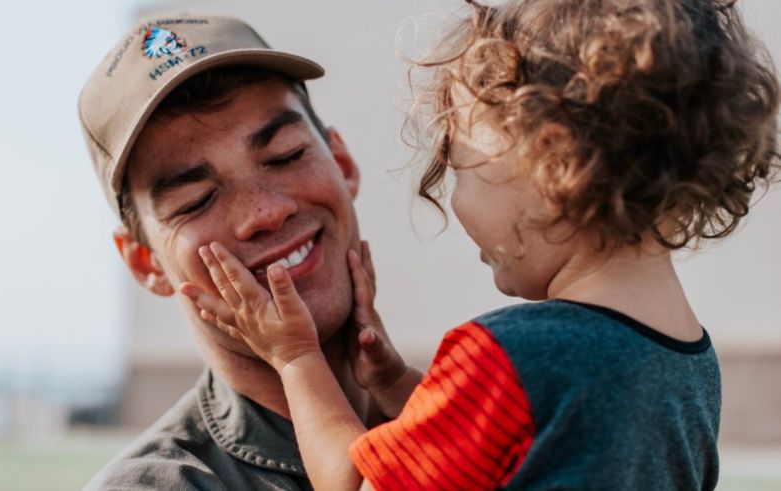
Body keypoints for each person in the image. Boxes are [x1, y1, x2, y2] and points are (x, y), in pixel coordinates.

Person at [184, 0, 781, 489]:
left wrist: (295, 357)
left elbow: (353, 483)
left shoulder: (506, 356)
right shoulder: (690, 361)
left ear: (551, 160)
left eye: (460, 164)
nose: (455, 201)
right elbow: (509, 449)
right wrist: (398, 386)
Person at [78, 14, 410, 490]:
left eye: (286, 155)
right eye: (196, 201)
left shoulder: (477, 404)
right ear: (144, 262)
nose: (265, 212)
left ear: (342, 162)